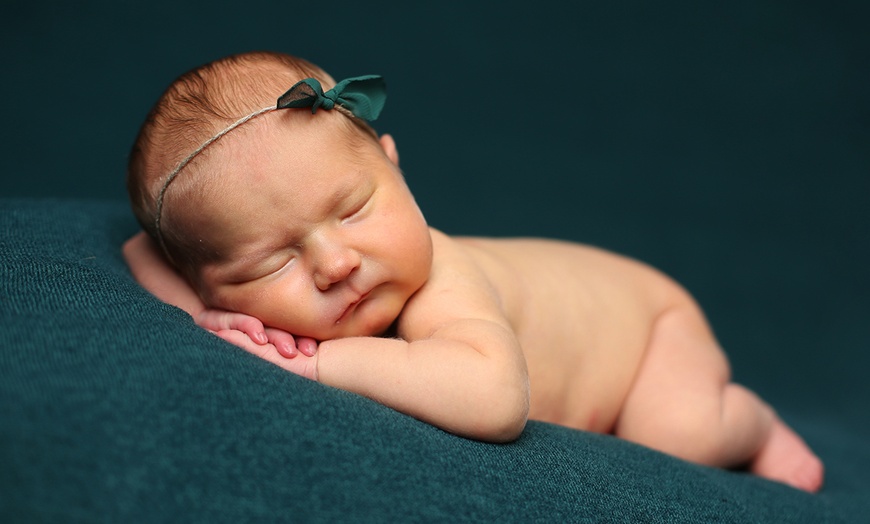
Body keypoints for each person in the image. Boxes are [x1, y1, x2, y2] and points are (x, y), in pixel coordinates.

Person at [123, 51, 824, 492]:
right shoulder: (212, 272)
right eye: (272, 261)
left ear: (393, 166)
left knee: (676, 436)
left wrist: (315, 366)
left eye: (356, 208)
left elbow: (493, 400)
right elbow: (140, 253)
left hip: (645, 329)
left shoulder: (438, 280)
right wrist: (206, 314)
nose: (336, 264)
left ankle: (755, 422)